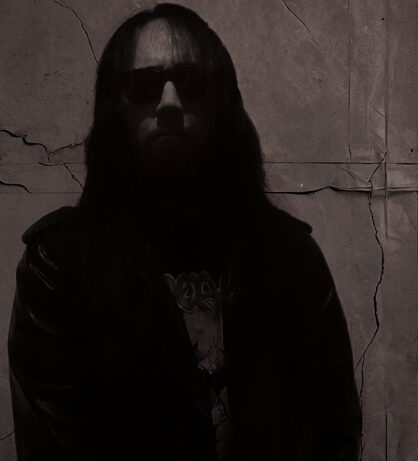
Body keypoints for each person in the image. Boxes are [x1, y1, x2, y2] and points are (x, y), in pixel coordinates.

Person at [7, 4, 361, 460]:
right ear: (115, 107)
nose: (170, 104)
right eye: (144, 85)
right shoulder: (59, 264)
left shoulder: (291, 257)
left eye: (192, 83)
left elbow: (336, 432)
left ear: (222, 104)